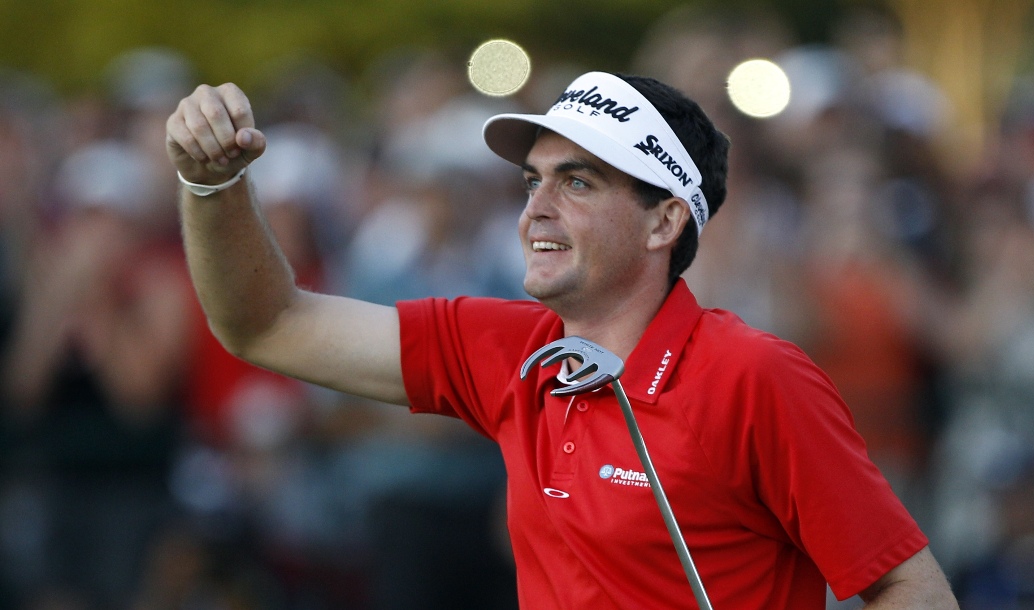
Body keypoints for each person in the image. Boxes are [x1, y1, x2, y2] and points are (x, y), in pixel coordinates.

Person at [165, 71, 959, 608]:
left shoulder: (755, 375)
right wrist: (211, 185)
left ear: (664, 220)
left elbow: (908, 588)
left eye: (577, 181)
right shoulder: (509, 347)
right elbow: (266, 323)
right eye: (533, 180)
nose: (534, 208)